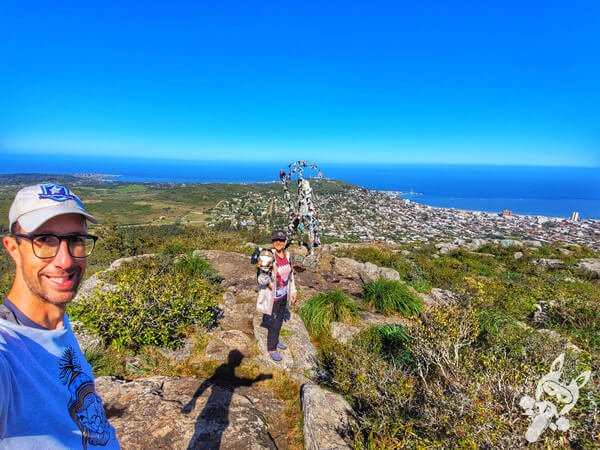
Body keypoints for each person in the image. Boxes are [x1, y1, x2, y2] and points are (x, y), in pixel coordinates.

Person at [0, 183, 120, 449]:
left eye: (76, 239)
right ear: (13, 248)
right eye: (44, 240)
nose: (65, 261)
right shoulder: (7, 352)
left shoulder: (56, 323)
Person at [262, 230, 297, 362]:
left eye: (281, 240)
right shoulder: (269, 257)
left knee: (280, 319)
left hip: (284, 294)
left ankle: (275, 340)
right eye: (275, 240)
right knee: (273, 322)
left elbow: (290, 276)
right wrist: (262, 271)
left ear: (285, 242)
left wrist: (293, 292)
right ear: (272, 242)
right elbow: (261, 280)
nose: (278, 242)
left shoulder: (287, 256)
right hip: (273, 297)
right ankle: (271, 348)